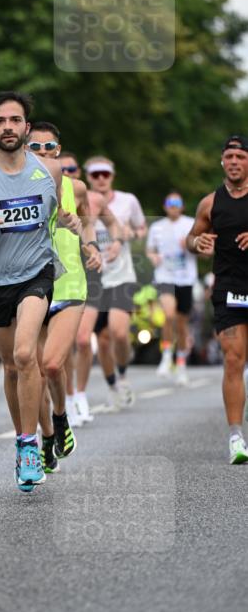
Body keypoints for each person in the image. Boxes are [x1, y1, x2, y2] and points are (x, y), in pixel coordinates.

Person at [0, 91, 79, 492]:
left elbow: (56, 215)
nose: (8, 127)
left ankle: (28, 446)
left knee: (26, 354)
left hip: (37, 275)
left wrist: (72, 225)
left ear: (26, 127)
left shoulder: (50, 171)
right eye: (0, 121)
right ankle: (27, 437)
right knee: (9, 366)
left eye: (15, 120)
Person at [26, 125, 103, 474]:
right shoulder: (14, 186)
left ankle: (60, 416)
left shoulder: (77, 188)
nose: (43, 150)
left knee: (53, 365)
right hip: (28, 283)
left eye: (49, 145)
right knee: (34, 368)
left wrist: (90, 245)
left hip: (69, 283)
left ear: (59, 150)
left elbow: (87, 223)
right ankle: (46, 437)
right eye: (35, 146)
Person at [186, 134, 248, 464]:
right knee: (234, 358)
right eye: (229, 156)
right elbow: (191, 238)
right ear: (223, 162)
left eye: (240, 155)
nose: (235, 161)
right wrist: (198, 244)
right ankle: (236, 436)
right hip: (229, 290)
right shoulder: (210, 203)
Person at [58, 151, 122, 423]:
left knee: (84, 339)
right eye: (63, 169)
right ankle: (69, 397)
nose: (68, 172)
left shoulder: (90, 197)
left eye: (72, 168)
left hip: (91, 271)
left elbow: (113, 224)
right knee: (65, 345)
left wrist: (116, 242)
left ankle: (81, 393)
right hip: (60, 271)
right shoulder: (45, 192)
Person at [83, 155, 147, 410]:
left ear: (112, 175)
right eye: (95, 174)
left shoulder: (128, 201)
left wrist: (131, 233)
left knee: (119, 333)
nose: (100, 179)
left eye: (105, 174)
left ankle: (122, 376)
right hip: (93, 278)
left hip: (121, 275)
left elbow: (142, 229)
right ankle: (112, 386)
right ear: (88, 176)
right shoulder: (81, 199)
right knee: (104, 339)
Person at [146, 193, 198, 384]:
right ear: (165, 206)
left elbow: (204, 248)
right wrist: (153, 257)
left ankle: (181, 364)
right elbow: (150, 249)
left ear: (182, 206)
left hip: (186, 279)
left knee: (182, 325)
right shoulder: (157, 227)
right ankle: (167, 356)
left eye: (177, 203)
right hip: (164, 276)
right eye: (170, 203)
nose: (173, 206)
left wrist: (191, 244)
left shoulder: (191, 224)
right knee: (168, 315)